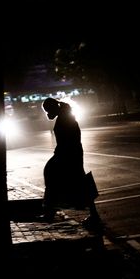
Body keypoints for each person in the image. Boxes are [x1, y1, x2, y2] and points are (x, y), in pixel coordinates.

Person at [40, 97, 102, 230]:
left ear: (53, 108)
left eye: (48, 110)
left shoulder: (65, 118)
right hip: (70, 153)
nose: (47, 114)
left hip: (69, 154)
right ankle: (51, 209)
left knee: (66, 179)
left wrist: (61, 154)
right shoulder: (64, 116)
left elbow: (68, 140)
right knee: (75, 181)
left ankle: (50, 210)